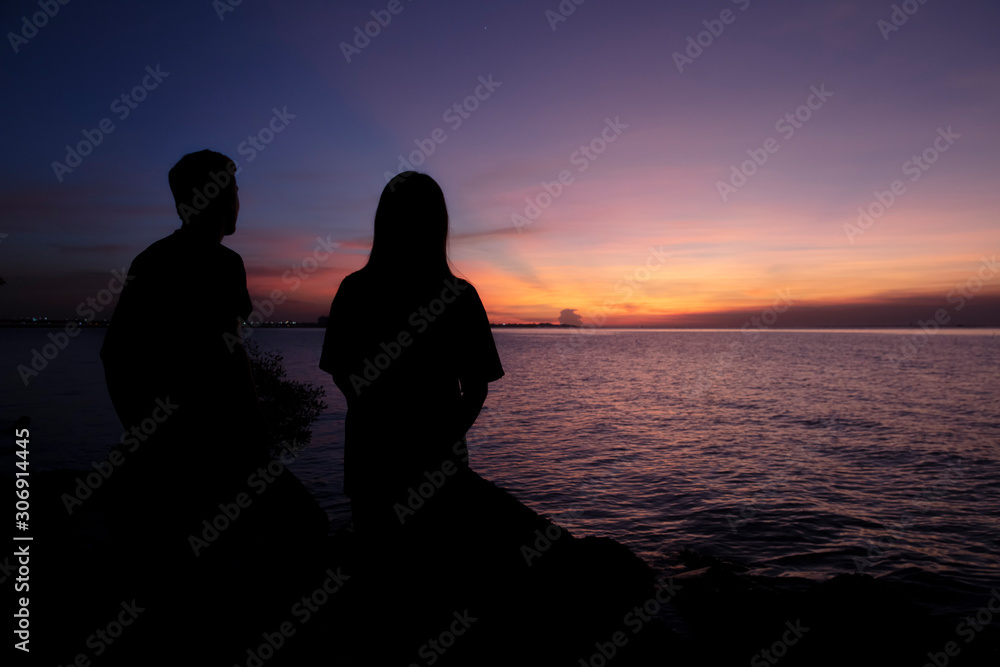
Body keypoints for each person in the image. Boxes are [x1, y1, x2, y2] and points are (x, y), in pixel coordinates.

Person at [319, 171, 504, 540]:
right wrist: (441, 438)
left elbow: (340, 371)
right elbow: (477, 387)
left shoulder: (355, 290)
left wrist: (371, 411)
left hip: (371, 460)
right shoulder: (459, 295)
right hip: (434, 466)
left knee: (379, 566)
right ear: (439, 224)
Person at [100, 149, 266, 477]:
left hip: (171, 449)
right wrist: (255, 435)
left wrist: (141, 431)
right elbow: (232, 356)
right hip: (213, 448)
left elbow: (114, 353)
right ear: (218, 195)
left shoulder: (151, 259)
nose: (237, 200)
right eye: (234, 191)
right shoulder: (225, 264)